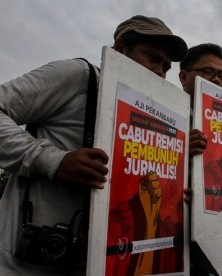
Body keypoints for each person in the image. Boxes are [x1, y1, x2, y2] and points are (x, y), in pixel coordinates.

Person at [0, 15, 187, 275]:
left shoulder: (152, 115)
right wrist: (52, 160)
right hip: (27, 263)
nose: (160, 72)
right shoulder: (78, 77)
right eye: (153, 58)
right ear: (120, 49)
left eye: (166, 67)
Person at [178, 43, 222, 276]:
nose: (216, 80)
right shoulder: (160, 110)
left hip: (213, 251)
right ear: (183, 77)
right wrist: (176, 150)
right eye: (207, 72)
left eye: (221, 75)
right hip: (169, 243)